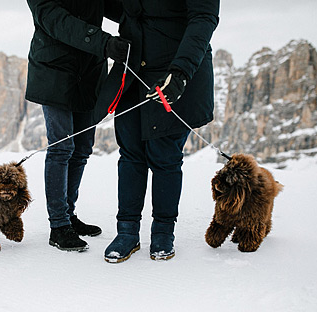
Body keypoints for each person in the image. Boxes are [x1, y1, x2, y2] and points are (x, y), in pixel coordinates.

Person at [97, 0, 220, 262]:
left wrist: (181, 72)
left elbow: (203, 19)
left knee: (164, 156)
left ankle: (163, 232)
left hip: (173, 73)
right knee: (130, 153)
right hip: (133, 71)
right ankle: (127, 231)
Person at [24, 0, 127, 252]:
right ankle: (58, 226)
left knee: (81, 149)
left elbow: (123, 9)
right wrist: (104, 43)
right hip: (54, 72)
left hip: (89, 72)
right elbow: (56, 20)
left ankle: (68, 216)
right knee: (61, 147)